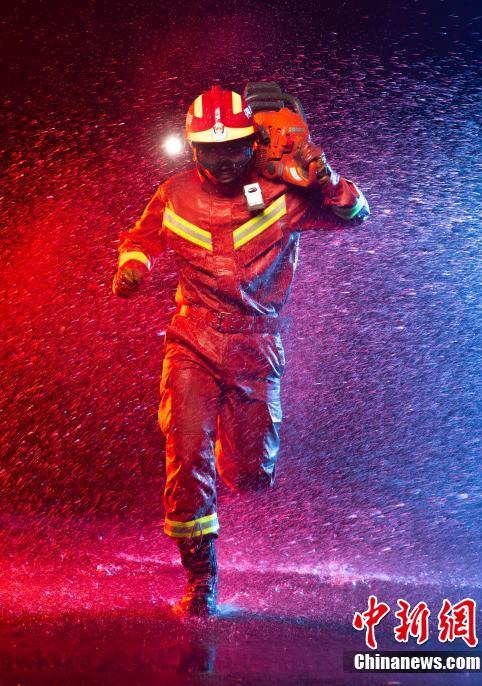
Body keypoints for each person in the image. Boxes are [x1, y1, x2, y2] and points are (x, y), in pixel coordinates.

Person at [112, 84, 370, 616]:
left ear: (253, 142)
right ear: (193, 148)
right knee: (187, 454)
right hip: (192, 340)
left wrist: (325, 177)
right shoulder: (174, 193)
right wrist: (133, 265)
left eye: (233, 148)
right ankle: (201, 578)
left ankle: (237, 475)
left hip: (256, 345)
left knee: (250, 475)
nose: (224, 161)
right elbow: (140, 238)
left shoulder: (283, 193)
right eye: (211, 151)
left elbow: (355, 215)